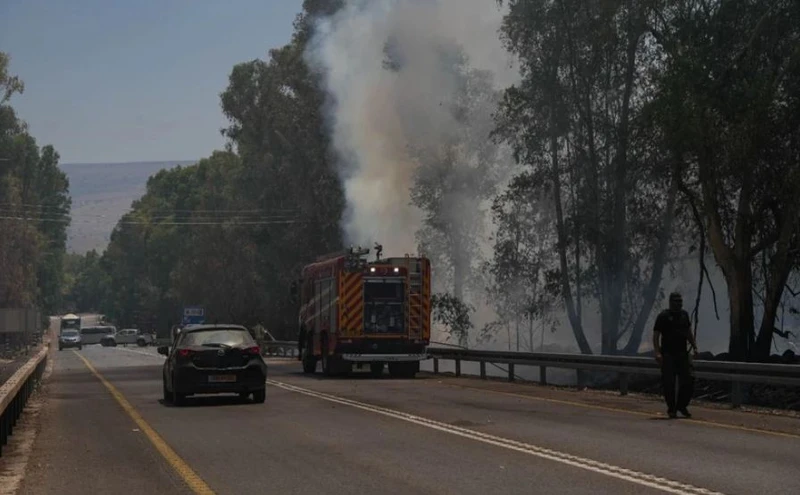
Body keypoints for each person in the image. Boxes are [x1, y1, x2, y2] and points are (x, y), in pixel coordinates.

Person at [653, 291, 698, 418]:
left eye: (680, 301)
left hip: (682, 353)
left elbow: (688, 332)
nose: (679, 304)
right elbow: (656, 335)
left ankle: (682, 405)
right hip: (668, 354)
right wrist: (657, 352)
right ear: (670, 302)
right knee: (669, 383)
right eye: (676, 301)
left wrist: (694, 346)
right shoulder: (663, 316)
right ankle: (671, 408)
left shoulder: (684, 315)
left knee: (689, 379)